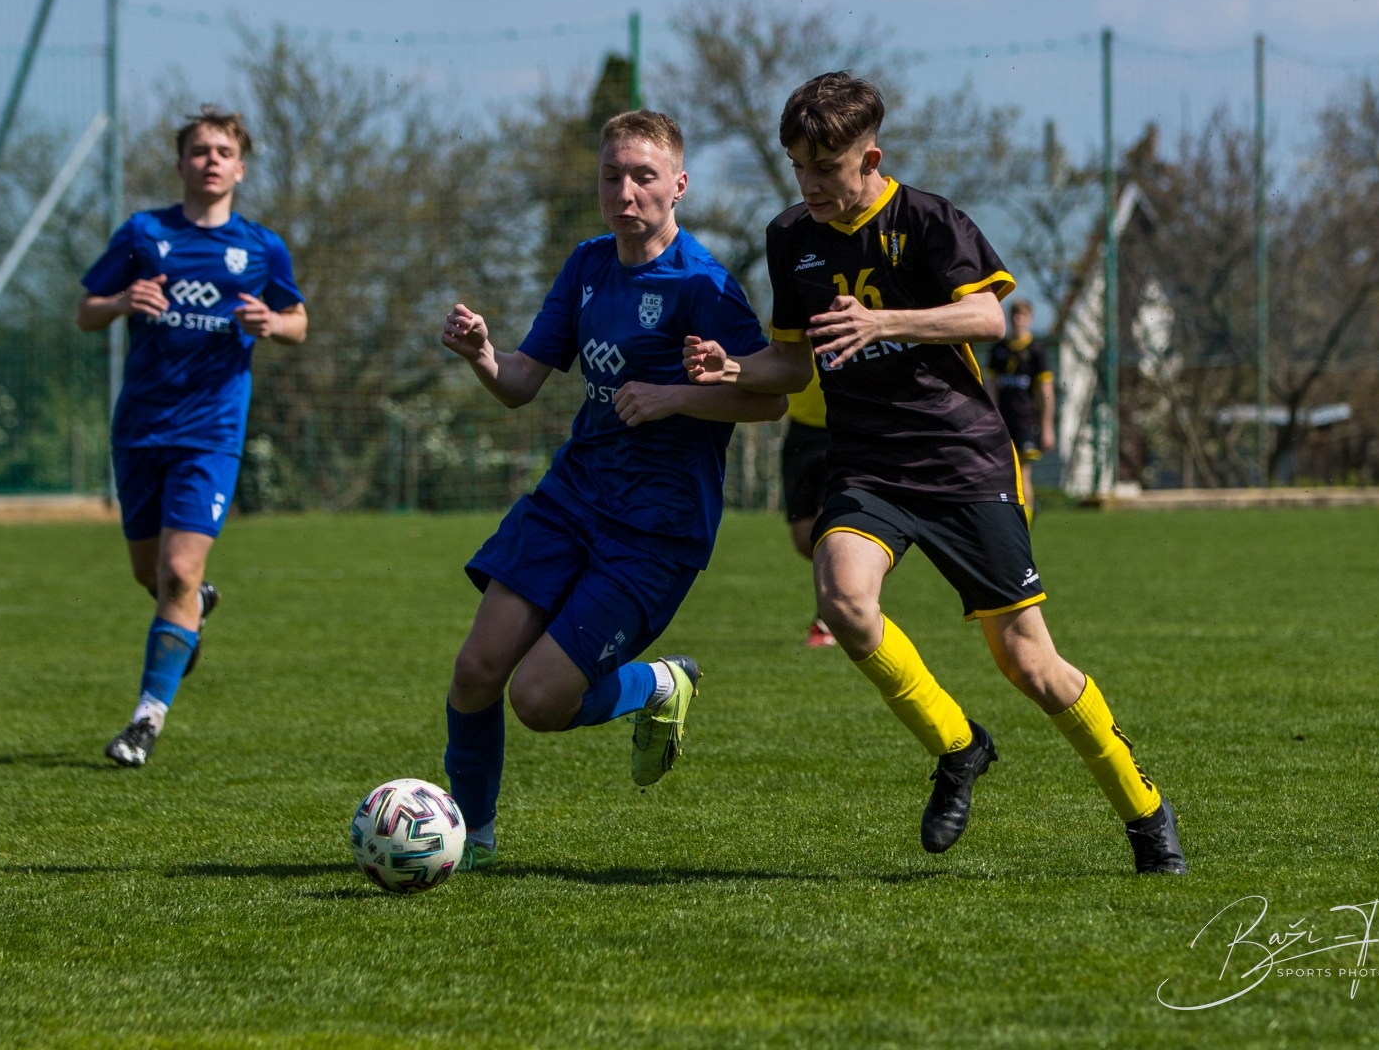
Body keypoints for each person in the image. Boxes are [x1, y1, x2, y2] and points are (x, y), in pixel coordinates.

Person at [685, 73, 1185, 874]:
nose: (810, 184)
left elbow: (987, 315)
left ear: (870, 158)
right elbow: (791, 363)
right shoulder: (791, 238)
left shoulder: (927, 221)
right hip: (868, 466)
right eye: (798, 168)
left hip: (962, 461)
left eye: (826, 168)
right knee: (842, 598)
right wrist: (732, 367)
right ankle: (958, 746)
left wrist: (884, 320)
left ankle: (1145, 811)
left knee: (1030, 665)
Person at [439, 110, 784, 869]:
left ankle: (658, 684)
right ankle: (470, 840)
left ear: (678, 185)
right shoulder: (588, 265)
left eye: (643, 176)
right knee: (475, 672)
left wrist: (672, 397)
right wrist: (482, 354)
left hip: (656, 530)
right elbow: (520, 384)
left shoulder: (703, 285)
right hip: (572, 499)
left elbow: (771, 400)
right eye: (611, 176)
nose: (625, 192)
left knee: (538, 701)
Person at [77, 106, 307, 768]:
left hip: (211, 429)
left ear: (240, 168)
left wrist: (273, 324)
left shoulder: (261, 247)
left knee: (178, 570)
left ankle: (145, 720)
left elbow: (298, 320)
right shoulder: (143, 233)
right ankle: (193, 607)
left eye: (223, 152)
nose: (211, 161)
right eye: (200, 150)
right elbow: (86, 311)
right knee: (150, 573)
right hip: (141, 427)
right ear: (181, 164)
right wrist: (122, 302)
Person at [782, 365, 836, 646]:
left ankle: (830, 620)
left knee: (832, 531)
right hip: (801, 428)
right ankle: (857, 578)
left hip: (847, 426)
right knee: (805, 539)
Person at [988, 298, 1054, 525]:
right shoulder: (999, 349)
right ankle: (1014, 517)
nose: (1018, 320)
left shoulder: (1036, 350)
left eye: (1022, 315)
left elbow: (1046, 391)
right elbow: (992, 386)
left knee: (1023, 470)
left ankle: (1025, 520)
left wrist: (1047, 426)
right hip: (1003, 421)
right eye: (1015, 315)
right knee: (1004, 471)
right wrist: (991, 417)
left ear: (1029, 319)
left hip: (1026, 421)